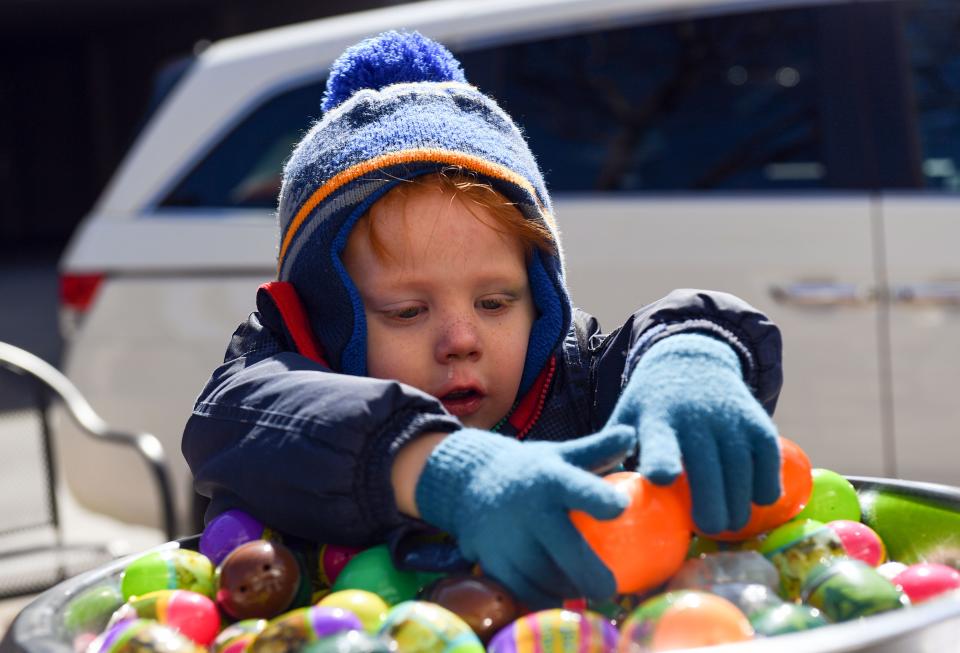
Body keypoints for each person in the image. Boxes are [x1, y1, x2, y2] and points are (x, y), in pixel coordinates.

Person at [182, 31, 784, 608]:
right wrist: (438, 469)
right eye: (407, 311)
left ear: (541, 297)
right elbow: (250, 419)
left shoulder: (575, 385)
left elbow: (660, 334)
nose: (461, 341)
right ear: (323, 316)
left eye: (495, 303)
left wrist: (695, 353)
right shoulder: (262, 393)